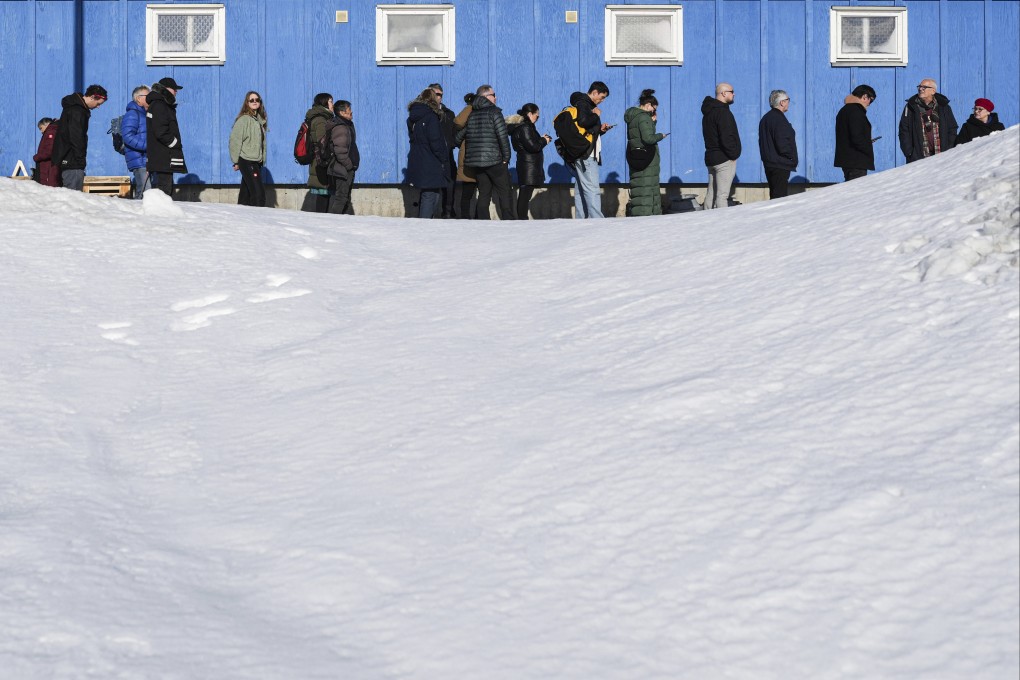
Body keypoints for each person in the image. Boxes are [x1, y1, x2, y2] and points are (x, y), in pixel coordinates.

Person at [454, 85, 514, 220]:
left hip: (477, 164)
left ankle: (483, 224)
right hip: (495, 161)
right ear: (485, 97)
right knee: (505, 193)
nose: (496, 97)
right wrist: (506, 158)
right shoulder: (494, 112)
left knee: (484, 194)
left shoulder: (473, 114)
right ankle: (510, 223)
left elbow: (458, 139)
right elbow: (502, 137)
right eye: (493, 95)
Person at [566, 81, 613, 219]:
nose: (602, 100)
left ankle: (582, 219)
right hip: (587, 154)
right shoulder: (584, 104)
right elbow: (583, 121)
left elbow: (586, 130)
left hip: (581, 152)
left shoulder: (582, 103)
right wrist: (596, 115)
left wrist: (600, 129)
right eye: (602, 97)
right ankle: (597, 220)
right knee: (592, 188)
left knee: (581, 188)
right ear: (594, 92)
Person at [51, 84, 108, 191]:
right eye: (98, 103)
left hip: (66, 158)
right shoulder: (78, 111)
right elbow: (76, 137)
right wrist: (80, 160)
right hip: (72, 161)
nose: (98, 106)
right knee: (73, 196)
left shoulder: (72, 107)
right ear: (92, 97)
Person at [624, 89, 668, 216]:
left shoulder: (634, 117)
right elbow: (648, 138)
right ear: (648, 105)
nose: (654, 112)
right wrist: (661, 135)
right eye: (654, 109)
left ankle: (643, 216)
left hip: (637, 156)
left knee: (641, 189)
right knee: (648, 190)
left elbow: (640, 135)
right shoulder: (644, 117)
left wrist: (653, 122)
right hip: (647, 159)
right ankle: (648, 218)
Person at [406, 89, 449, 218]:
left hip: (418, 158)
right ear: (432, 100)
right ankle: (424, 227)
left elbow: (413, 138)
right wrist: (443, 158)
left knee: (432, 192)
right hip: (431, 160)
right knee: (430, 195)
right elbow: (435, 141)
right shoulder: (431, 116)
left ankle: (428, 224)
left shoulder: (412, 118)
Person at [507, 103, 551, 220]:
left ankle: (522, 218)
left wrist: (540, 139)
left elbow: (529, 144)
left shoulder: (521, 127)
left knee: (525, 193)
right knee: (525, 194)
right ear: (530, 114)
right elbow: (533, 147)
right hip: (528, 165)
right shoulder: (525, 127)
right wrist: (544, 140)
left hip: (526, 163)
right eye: (537, 115)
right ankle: (522, 219)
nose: (537, 118)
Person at [701, 82, 741, 209]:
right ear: (724, 93)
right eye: (731, 91)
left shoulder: (708, 112)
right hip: (724, 159)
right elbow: (727, 137)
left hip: (711, 157)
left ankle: (706, 221)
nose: (734, 94)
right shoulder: (723, 113)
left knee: (711, 193)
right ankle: (723, 226)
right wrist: (733, 155)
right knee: (722, 196)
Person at [899, 79, 958, 163]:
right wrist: (909, 153)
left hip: (942, 157)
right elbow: (904, 130)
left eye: (924, 87)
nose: (920, 89)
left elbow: (952, 128)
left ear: (933, 91)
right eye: (919, 87)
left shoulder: (944, 107)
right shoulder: (911, 107)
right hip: (918, 158)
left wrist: (948, 149)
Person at [146, 77, 187, 198]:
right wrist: (174, 143)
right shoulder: (160, 105)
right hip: (163, 157)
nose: (176, 92)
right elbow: (161, 131)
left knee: (163, 190)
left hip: (163, 158)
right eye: (174, 89)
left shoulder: (160, 104)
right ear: (167, 89)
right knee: (164, 192)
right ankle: (161, 216)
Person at [229, 90, 268, 207]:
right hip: (247, 160)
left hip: (256, 161)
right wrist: (235, 161)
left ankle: (241, 219)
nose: (255, 102)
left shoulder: (259, 121)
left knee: (245, 194)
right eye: (252, 100)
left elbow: (262, 143)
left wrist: (262, 160)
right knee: (258, 195)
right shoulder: (243, 120)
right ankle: (257, 220)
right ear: (247, 103)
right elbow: (235, 141)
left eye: (257, 100)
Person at [757, 89, 798, 200]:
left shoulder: (765, 118)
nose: (788, 102)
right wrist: (790, 158)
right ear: (782, 102)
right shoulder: (779, 119)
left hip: (770, 163)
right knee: (779, 199)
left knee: (774, 195)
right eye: (787, 100)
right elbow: (782, 142)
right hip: (780, 164)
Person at [834, 84, 877, 182]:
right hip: (857, 161)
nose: (870, 103)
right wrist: (867, 145)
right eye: (871, 99)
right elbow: (857, 138)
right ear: (864, 97)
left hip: (847, 160)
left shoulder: (844, 111)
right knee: (857, 194)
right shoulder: (856, 112)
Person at [302, 93, 334, 212]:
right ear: (324, 102)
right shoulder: (321, 119)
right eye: (331, 101)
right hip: (321, 161)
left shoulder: (323, 117)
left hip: (319, 160)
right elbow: (322, 142)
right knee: (323, 193)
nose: (333, 104)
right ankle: (321, 221)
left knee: (324, 193)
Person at [429, 83, 458, 218]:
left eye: (440, 94)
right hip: (431, 156)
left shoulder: (448, 113)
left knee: (450, 185)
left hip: (447, 155)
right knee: (431, 187)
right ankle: (429, 214)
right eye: (436, 94)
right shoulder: (425, 113)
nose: (438, 97)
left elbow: (454, 133)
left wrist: (451, 145)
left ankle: (448, 212)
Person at [326, 100, 359, 215]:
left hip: (346, 167)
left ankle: (344, 224)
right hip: (342, 168)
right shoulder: (340, 127)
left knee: (345, 198)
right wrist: (349, 165)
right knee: (341, 198)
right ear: (342, 112)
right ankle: (334, 224)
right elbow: (340, 151)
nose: (351, 113)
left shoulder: (347, 124)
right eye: (349, 111)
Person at [121, 85, 151, 198]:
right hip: (139, 160)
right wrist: (147, 146)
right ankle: (137, 215)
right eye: (148, 96)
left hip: (146, 159)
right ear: (138, 98)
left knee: (146, 192)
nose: (151, 98)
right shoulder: (133, 114)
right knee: (144, 192)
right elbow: (128, 136)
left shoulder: (144, 114)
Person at [453, 93, 478, 219]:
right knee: (483, 192)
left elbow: (457, 122)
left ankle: (465, 218)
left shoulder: (470, 108)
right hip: (484, 155)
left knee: (467, 191)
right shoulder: (485, 109)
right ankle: (479, 218)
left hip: (469, 153)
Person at [32, 117, 60, 187]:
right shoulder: (51, 131)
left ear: (46, 124)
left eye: (41, 128)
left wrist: (36, 157)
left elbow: (49, 151)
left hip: (48, 167)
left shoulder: (51, 132)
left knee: (48, 188)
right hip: (48, 167)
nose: (41, 131)